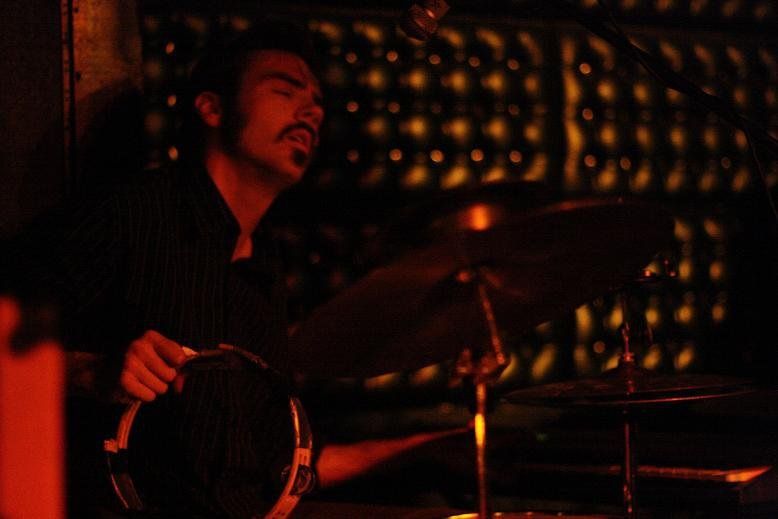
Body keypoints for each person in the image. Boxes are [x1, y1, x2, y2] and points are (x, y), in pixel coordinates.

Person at [6, 19, 324, 518]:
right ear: (212, 108)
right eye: (285, 90)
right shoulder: (132, 214)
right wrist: (90, 371)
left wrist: (428, 445)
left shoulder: (266, 270)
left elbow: (280, 469)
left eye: (318, 103)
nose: (312, 110)